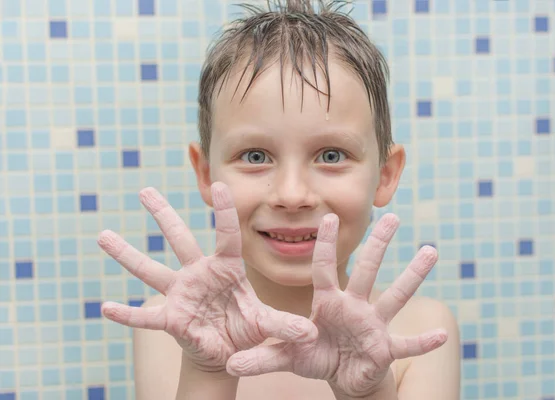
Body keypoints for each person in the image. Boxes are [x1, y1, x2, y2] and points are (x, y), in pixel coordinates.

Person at [98, 1, 461, 399]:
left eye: (331, 155)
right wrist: (208, 368)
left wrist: (368, 390)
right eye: (255, 157)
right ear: (205, 174)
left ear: (385, 175)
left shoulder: (421, 333)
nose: (291, 195)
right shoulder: (172, 329)